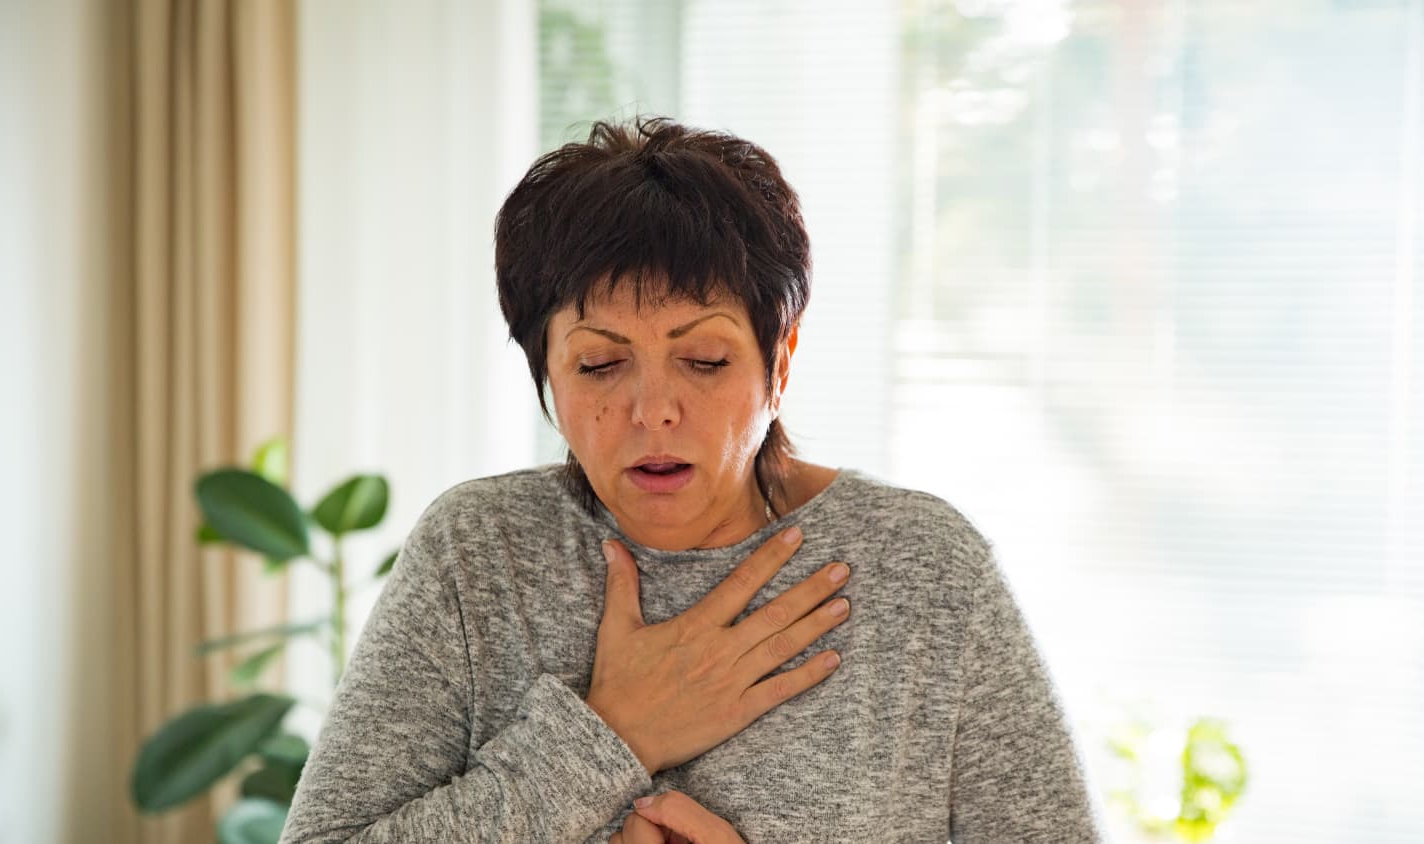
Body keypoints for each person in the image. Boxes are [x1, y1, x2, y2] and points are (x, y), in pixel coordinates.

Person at [279, 117, 1101, 843]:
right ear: (546, 379)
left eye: (704, 359)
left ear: (779, 364)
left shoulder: (923, 568)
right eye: (600, 364)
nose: (653, 412)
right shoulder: (478, 552)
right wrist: (611, 734)